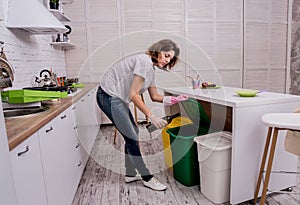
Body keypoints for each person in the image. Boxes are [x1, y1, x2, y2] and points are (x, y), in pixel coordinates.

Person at [96, 39, 188, 191]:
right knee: (131, 136)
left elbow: (155, 96)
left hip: (117, 98)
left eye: (170, 58)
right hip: (108, 95)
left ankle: (130, 174)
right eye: (166, 55)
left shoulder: (151, 68)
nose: (167, 60)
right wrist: (152, 116)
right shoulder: (144, 62)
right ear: (157, 51)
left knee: (133, 133)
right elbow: (133, 94)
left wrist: (173, 99)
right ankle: (147, 178)